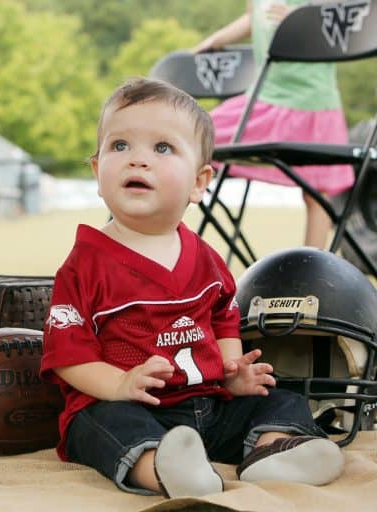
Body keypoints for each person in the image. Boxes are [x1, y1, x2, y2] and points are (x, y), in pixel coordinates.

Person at [39, 77, 344, 498]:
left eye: (162, 148)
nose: (137, 161)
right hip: (129, 404)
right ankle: (163, 468)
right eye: (120, 146)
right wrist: (120, 385)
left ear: (200, 182)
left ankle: (273, 451)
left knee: (280, 398)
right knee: (97, 425)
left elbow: (224, 316)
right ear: (97, 170)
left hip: (207, 406)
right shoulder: (84, 265)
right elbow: (67, 356)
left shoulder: (204, 257)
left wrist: (231, 372)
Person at [193, 0, 354, 250]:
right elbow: (254, 18)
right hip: (262, 98)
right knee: (191, 138)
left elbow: (342, 24)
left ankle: (313, 271)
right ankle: (169, 247)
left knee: (317, 193)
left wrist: (301, 21)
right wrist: (216, 39)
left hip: (311, 103)